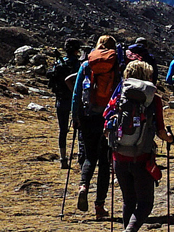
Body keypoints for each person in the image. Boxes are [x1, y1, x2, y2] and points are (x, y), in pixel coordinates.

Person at [107, 60, 174, 232]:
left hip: (119, 157)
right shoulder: (153, 99)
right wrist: (169, 138)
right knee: (145, 202)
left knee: (128, 200)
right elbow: (161, 131)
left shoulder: (118, 95)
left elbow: (107, 122)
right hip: (142, 157)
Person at [72, 35, 125, 218]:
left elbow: (77, 93)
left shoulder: (86, 65)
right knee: (105, 162)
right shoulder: (116, 66)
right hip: (108, 119)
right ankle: (99, 206)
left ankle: (83, 186)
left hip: (87, 117)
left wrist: (75, 116)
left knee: (89, 156)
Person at [44, 38, 85, 168]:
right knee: (79, 128)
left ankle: (63, 159)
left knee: (63, 130)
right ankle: (80, 156)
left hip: (61, 100)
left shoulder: (58, 63)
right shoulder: (77, 64)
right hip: (74, 100)